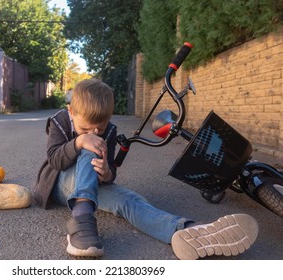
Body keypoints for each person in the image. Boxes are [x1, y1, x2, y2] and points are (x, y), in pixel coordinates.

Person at [33, 78, 259, 260]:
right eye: (85, 127)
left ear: (109, 119)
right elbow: (54, 159)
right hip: (60, 184)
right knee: (88, 148)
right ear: (71, 111)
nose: (94, 132)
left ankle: (187, 231)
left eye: (99, 128)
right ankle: (81, 223)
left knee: (128, 200)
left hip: (91, 186)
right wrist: (79, 142)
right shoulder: (60, 121)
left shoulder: (109, 131)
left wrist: (107, 173)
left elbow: (111, 170)